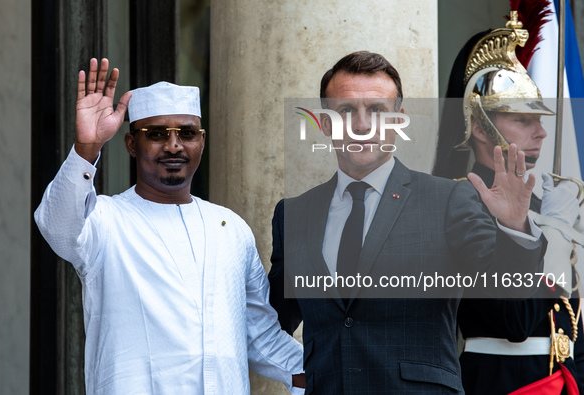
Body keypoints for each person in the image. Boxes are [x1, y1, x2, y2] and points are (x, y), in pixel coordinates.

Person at [268, 50, 547, 394]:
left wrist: (514, 229)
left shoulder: (448, 200)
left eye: (376, 111)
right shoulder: (294, 214)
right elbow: (269, 320)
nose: (361, 124)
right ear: (325, 124)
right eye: (346, 111)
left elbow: (512, 320)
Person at [34, 58, 305, 394]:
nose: (174, 145)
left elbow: (259, 333)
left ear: (201, 142)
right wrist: (86, 149)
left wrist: (325, 371)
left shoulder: (231, 228)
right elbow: (56, 225)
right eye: (157, 134)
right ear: (133, 145)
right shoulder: (105, 220)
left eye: (187, 133)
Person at [433, 9, 584, 394]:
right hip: (501, 382)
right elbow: (514, 320)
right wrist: (553, 230)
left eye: (539, 118)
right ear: (481, 126)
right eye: (522, 119)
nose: (541, 132)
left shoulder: (548, 197)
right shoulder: (459, 200)